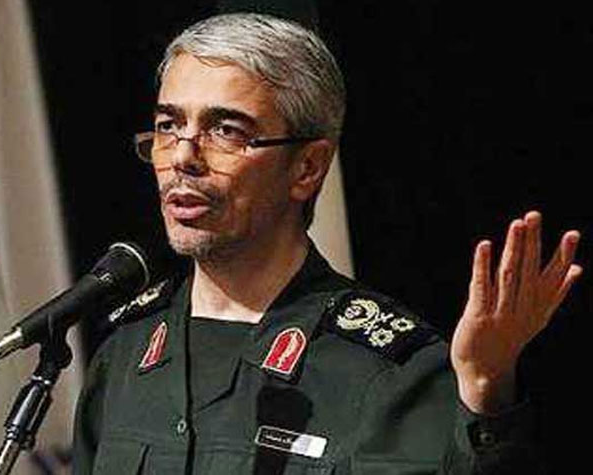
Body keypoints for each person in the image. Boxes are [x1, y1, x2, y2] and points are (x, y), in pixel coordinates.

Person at [72, 12, 582, 474]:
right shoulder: (125, 352)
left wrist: (485, 391)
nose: (183, 157)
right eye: (168, 126)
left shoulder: (387, 373)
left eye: (225, 130)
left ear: (307, 167)